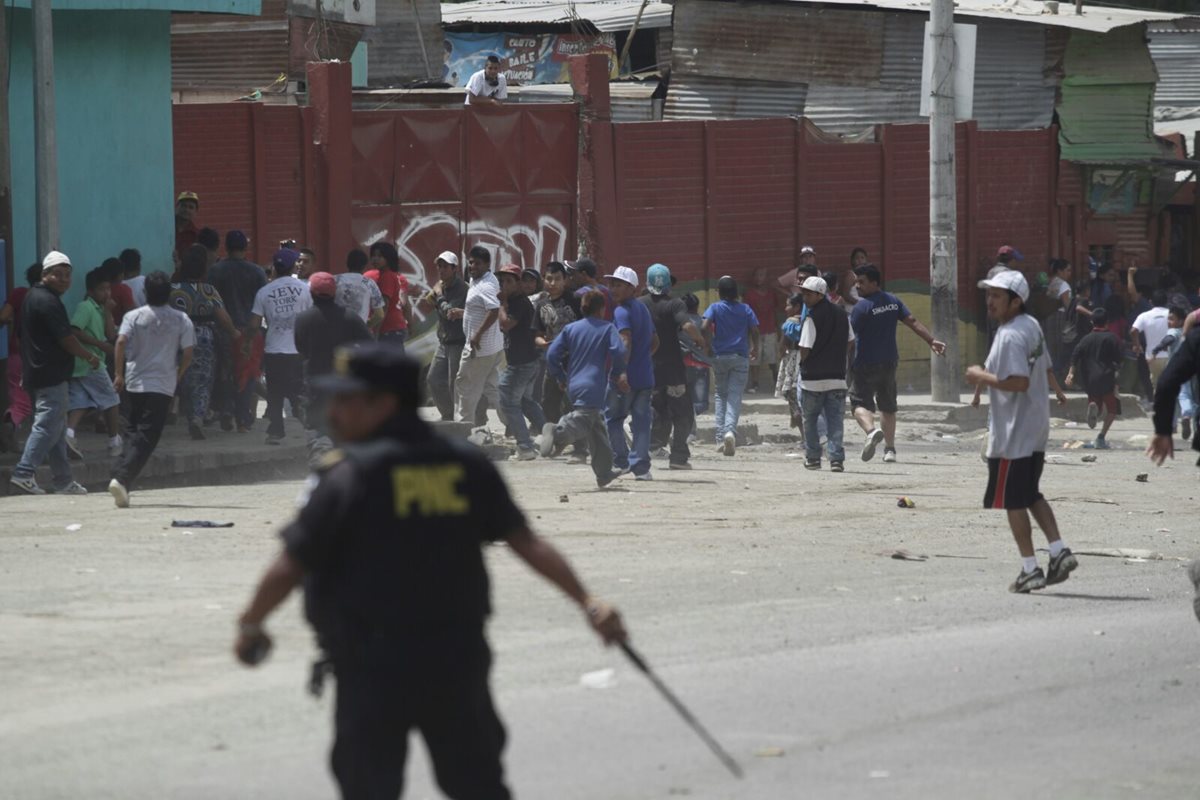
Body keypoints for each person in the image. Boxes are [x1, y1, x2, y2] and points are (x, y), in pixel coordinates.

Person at [232, 342, 626, 798]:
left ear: (384, 403)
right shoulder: (464, 464)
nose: (333, 411)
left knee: (369, 788)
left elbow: (290, 566)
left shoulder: (347, 476)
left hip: (372, 665)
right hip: (455, 658)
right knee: (477, 784)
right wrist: (589, 603)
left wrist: (250, 624)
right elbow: (527, 542)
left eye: (346, 399)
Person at [967, 270, 1076, 594]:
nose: (990, 301)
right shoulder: (1031, 327)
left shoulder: (1012, 334)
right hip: (1035, 427)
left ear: (1016, 301)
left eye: (997, 296)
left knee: (1014, 500)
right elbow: (1041, 368)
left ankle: (1030, 568)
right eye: (989, 295)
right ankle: (1058, 550)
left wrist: (979, 378)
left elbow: (1019, 382)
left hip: (1013, 433)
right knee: (1031, 494)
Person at [10, 252, 101, 496]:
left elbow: (23, 336)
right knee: (47, 424)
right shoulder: (48, 302)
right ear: (45, 275)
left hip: (37, 372)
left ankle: (63, 480)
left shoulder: (32, 297)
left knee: (57, 429)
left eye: (67, 275)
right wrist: (89, 356)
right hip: (49, 374)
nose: (63, 279)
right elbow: (67, 339)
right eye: (57, 274)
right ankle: (24, 472)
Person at [108, 272, 195, 508]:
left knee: (134, 430)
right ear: (170, 293)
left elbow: (120, 342)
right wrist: (178, 374)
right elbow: (188, 352)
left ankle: (123, 479)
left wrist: (118, 373)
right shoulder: (181, 319)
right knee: (147, 435)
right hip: (162, 384)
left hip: (135, 382)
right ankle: (121, 476)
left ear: (145, 292)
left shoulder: (133, 316)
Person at [847, 264, 946, 464]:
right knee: (888, 407)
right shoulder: (893, 301)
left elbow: (848, 338)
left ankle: (871, 431)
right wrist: (931, 340)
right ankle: (890, 450)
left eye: (862, 282)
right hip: (889, 362)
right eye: (857, 282)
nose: (857, 286)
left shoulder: (861, 307)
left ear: (874, 283)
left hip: (864, 364)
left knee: (858, 404)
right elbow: (913, 321)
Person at [541, 290, 630, 487]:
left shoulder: (571, 329)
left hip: (573, 384)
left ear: (582, 309)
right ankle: (557, 432)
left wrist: (560, 376)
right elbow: (620, 350)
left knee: (596, 427)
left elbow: (552, 355)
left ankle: (604, 472)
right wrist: (618, 373)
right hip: (594, 385)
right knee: (583, 420)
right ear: (601, 309)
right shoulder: (607, 328)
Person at [295, 272, 371, 460]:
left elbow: (300, 348)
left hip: (315, 385)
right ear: (334, 292)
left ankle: (322, 467)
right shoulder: (351, 317)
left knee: (317, 430)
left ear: (311, 293)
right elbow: (370, 345)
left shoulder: (303, 319)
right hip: (345, 385)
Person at [172, 245, 239, 440]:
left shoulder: (172, 290)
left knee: (179, 377)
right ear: (203, 270)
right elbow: (223, 317)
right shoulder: (209, 291)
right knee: (203, 380)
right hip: (204, 337)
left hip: (176, 337)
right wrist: (235, 333)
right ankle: (197, 418)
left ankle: (174, 410)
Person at [247, 248, 312, 445]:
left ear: (274, 267)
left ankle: (276, 431)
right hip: (298, 350)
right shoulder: (305, 289)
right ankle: (307, 423)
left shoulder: (264, 292)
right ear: (294, 266)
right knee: (298, 390)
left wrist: (248, 343)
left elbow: (254, 325)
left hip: (273, 350)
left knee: (275, 392)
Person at [641, 264, 702, 470]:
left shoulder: (640, 304)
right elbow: (687, 326)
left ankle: (653, 446)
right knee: (683, 413)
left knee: (660, 410)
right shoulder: (675, 304)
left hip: (650, 369)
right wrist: (701, 340)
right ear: (668, 284)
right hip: (674, 370)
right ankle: (678, 457)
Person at [210, 231, 268, 432]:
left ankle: (226, 410)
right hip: (250, 331)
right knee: (248, 374)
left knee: (225, 371)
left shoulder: (215, 271)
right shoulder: (258, 272)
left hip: (224, 329)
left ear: (226, 247)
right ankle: (243, 419)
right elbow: (263, 305)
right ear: (246, 248)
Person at [604, 266, 657, 480]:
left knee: (613, 419)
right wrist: (642, 359)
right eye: (611, 284)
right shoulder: (642, 308)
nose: (612, 289)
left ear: (631, 288)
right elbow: (655, 342)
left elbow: (625, 341)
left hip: (625, 378)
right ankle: (641, 469)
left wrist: (622, 371)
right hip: (645, 376)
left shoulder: (621, 311)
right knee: (642, 422)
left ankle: (621, 461)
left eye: (618, 285)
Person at [796, 276, 854, 472]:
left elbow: (805, 347)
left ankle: (813, 458)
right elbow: (850, 341)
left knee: (810, 420)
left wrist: (804, 363)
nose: (804, 297)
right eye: (803, 293)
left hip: (813, 379)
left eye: (808, 294)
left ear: (820, 295)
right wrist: (837, 356)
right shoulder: (842, 315)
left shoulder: (812, 317)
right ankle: (836, 459)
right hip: (837, 377)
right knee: (835, 421)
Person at [65, 267, 123, 460]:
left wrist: (108, 312)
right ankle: (114, 441)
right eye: (101, 289)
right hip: (90, 362)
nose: (106, 293)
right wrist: (100, 345)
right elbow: (74, 330)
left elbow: (110, 335)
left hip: (86, 364)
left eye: (108, 289)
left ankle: (69, 435)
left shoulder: (101, 309)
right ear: (90, 291)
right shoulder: (86, 307)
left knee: (81, 401)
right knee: (112, 399)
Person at [702, 275, 759, 457]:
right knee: (734, 396)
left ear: (719, 293)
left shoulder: (715, 308)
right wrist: (754, 347)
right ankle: (729, 432)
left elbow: (704, 326)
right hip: (740, 357)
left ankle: (720, 438)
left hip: (719, 356)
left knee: (720, 395)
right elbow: (755, 330)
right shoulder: (745, 309)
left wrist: (708, 345)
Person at [496, 264, 545, 460]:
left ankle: (525, 446)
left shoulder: (519, 303)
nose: (504, 285)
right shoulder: (513, 301)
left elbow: (505, 324)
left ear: (518, 283)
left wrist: (500, 304)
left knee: (508, 401)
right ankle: (554, 436)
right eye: (502, 281)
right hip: (526, 361)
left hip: (522, 364)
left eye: (509, 281)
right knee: (525, 402)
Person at [455, 246, 505, 425]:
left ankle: (463, 428)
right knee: (493, 389)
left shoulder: (486, 285)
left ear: (487, 264)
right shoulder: (479, 279)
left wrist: (476, 335)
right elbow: (481, 309)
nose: (472, 266)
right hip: (491, 348)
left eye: (477, 263)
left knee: (466, 387)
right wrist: (462, 313)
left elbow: (493, 310)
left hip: (478, 349)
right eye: (470, 262)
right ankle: (514, 424)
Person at [418, 251, 468, 421]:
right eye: (439, 266)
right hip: (444, 341)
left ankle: (462, 419)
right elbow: (431, 304)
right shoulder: (443, 286)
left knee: (455, 383)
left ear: (455, 268)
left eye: (445, 266)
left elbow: (450, 313)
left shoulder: (461, 288)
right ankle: (447, 414)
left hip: (458, 342)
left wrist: (439, 295)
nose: (441, 270)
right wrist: (436, 296)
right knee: (433, 379)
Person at [0, 263, 44, 451]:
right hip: (35, 357)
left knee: (18, 396)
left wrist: (11, 321)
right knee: (30, 403)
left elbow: (3, 317)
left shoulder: (19, 294)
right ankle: (11, 422)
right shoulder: (46, 299)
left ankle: (12, 433)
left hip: (14, 355)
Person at [1065, 308, 1122, 450]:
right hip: (1107, 378)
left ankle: (1094, 408)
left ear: (1092, 322)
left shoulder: (1086, 338)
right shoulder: (1112, 338)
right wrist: (1117, 378)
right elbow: (1119, 360)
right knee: (1112, 409)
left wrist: (1071, 373)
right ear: (1107, 323)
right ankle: (1101, 437)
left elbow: (1075, 355)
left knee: (1096, 400)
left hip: (1090, 379)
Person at [534, 261, 579, 425]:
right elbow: (537, 334)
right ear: (543, 279)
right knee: (548, 403)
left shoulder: (575, 300)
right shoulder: (541, 305)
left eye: (557, 279)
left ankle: (580, 445)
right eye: (549, 278)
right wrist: (543, 344)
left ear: (565, 279)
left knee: (573, 403)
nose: (553, 283)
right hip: (553, 362)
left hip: (575, 361)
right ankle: (554, 437)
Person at [1150, 305, 1193, 440]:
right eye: (1168, 319)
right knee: (1184, 395)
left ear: (1180, 321)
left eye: (1172, 319)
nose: (1169, 322)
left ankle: (1172, 425)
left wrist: (1157, 348)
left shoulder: (1173, 332)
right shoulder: (1188, 333)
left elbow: (1168, 339)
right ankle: (1186, 415)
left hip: (1174, 369)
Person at [367, 242, 412, 351]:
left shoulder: (386, 277)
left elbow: (384, 307)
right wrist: (410, 323)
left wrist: (375, 331)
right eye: (373, 255)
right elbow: (405, 303)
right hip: (395, 328)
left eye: (379, 256)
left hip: (388, 330)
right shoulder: (393, 276)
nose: (375, 259)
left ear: (388, 258)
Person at [743, 267, 779, 393]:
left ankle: (777, 382)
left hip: (770, 329)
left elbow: (775, 311)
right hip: (755, 331)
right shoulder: (749, 294)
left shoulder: (771, 293)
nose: (759, 278)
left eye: (762, 275)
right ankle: (755, 384)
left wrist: (777, 329)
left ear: (767, 278)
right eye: (757, 275)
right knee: (754, 359)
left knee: (772, 358)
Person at [679, 292, 711, 431]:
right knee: (697, 400)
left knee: (682, 398)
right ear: (697, 307)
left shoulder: (679, 324)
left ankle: (688, 428)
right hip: (701, 364)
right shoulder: (704, 322)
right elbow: (710, 343)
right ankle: (690, 428)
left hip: (683, 363)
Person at [335, 248, 385, 335]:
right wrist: (365, 326)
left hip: (337, 332)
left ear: (347, 263)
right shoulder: (369, 283)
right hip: (359, 334)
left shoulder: (334, 280)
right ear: (364, 266)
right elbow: (379, 314)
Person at [1132, 289, 1172, 391]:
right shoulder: (1171, 315)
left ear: (1150, 302)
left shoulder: (1144, 316)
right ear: (1166, 302)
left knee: (1157, 385)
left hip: (1153, 357)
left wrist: (1137, 345)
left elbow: (1133, 330)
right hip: (1170, 354)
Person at [175, 191, 200, 257]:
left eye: (191, 207)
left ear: (196, 211)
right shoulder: (165, 227)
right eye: (184, 206)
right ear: (176, 207)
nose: (186, 210)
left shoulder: (196, 235)